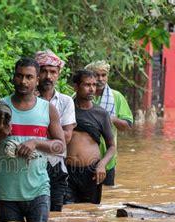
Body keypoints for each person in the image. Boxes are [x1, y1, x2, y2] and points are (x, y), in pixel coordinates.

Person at [0, 57, 65, 222]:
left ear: (37, 80)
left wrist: (35, 143)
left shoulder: (48, 109)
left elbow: (60, 146)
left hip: (39, 190)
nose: (23, 81)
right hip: (7, 193)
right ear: (13, 77)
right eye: (19, 76)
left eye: (29, 77)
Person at [64, 69, 116, 204]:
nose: (92, 89)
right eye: (87, 85)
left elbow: (112, 146)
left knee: (90, 214)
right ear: (76, 86)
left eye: (94, 85)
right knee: (67, 214)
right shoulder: (66, 109)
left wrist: (102, 165)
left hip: (92, 172)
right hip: (67, 171)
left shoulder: (101, 114)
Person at [35, 49, 76, 212]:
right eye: (44, 71)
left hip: (56, 165)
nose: (48, 76)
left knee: (55, 215)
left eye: (53, 72)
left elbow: (66, 138)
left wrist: (38, 132)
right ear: (37, 74)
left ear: (58, 74)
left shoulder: (66, 101)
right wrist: (54, 132)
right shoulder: (24, 101)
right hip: (31, 164)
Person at [85, 60, 133, 186]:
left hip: (107, 159)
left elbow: (127, 126)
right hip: (83, 159)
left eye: (103, 75)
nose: (100, 79)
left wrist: (112, 119)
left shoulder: (116, 97)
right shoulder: (79, 96)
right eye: (96, 75)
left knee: (107, 198)